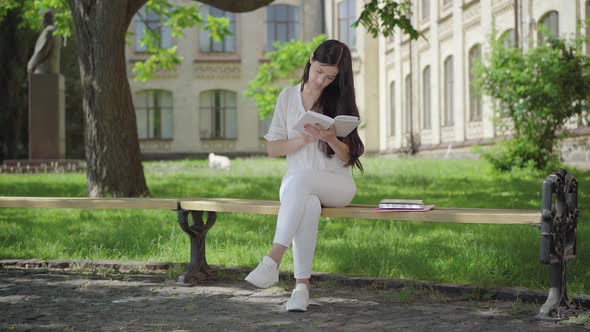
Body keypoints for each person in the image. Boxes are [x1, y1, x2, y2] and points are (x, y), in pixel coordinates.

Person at [245, 39, 364, 312]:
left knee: (300, 181)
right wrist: (302, 140)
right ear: (311, 59)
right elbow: (272, 148)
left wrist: (332, 138)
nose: (323, 80)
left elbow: (350, 156)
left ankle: (273, 260)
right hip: (297, 187)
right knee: (306, 202)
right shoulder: (287, 96)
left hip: (337, 185)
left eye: (331, 77)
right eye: (320, 71)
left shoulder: (340, 99)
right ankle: (301, 288)